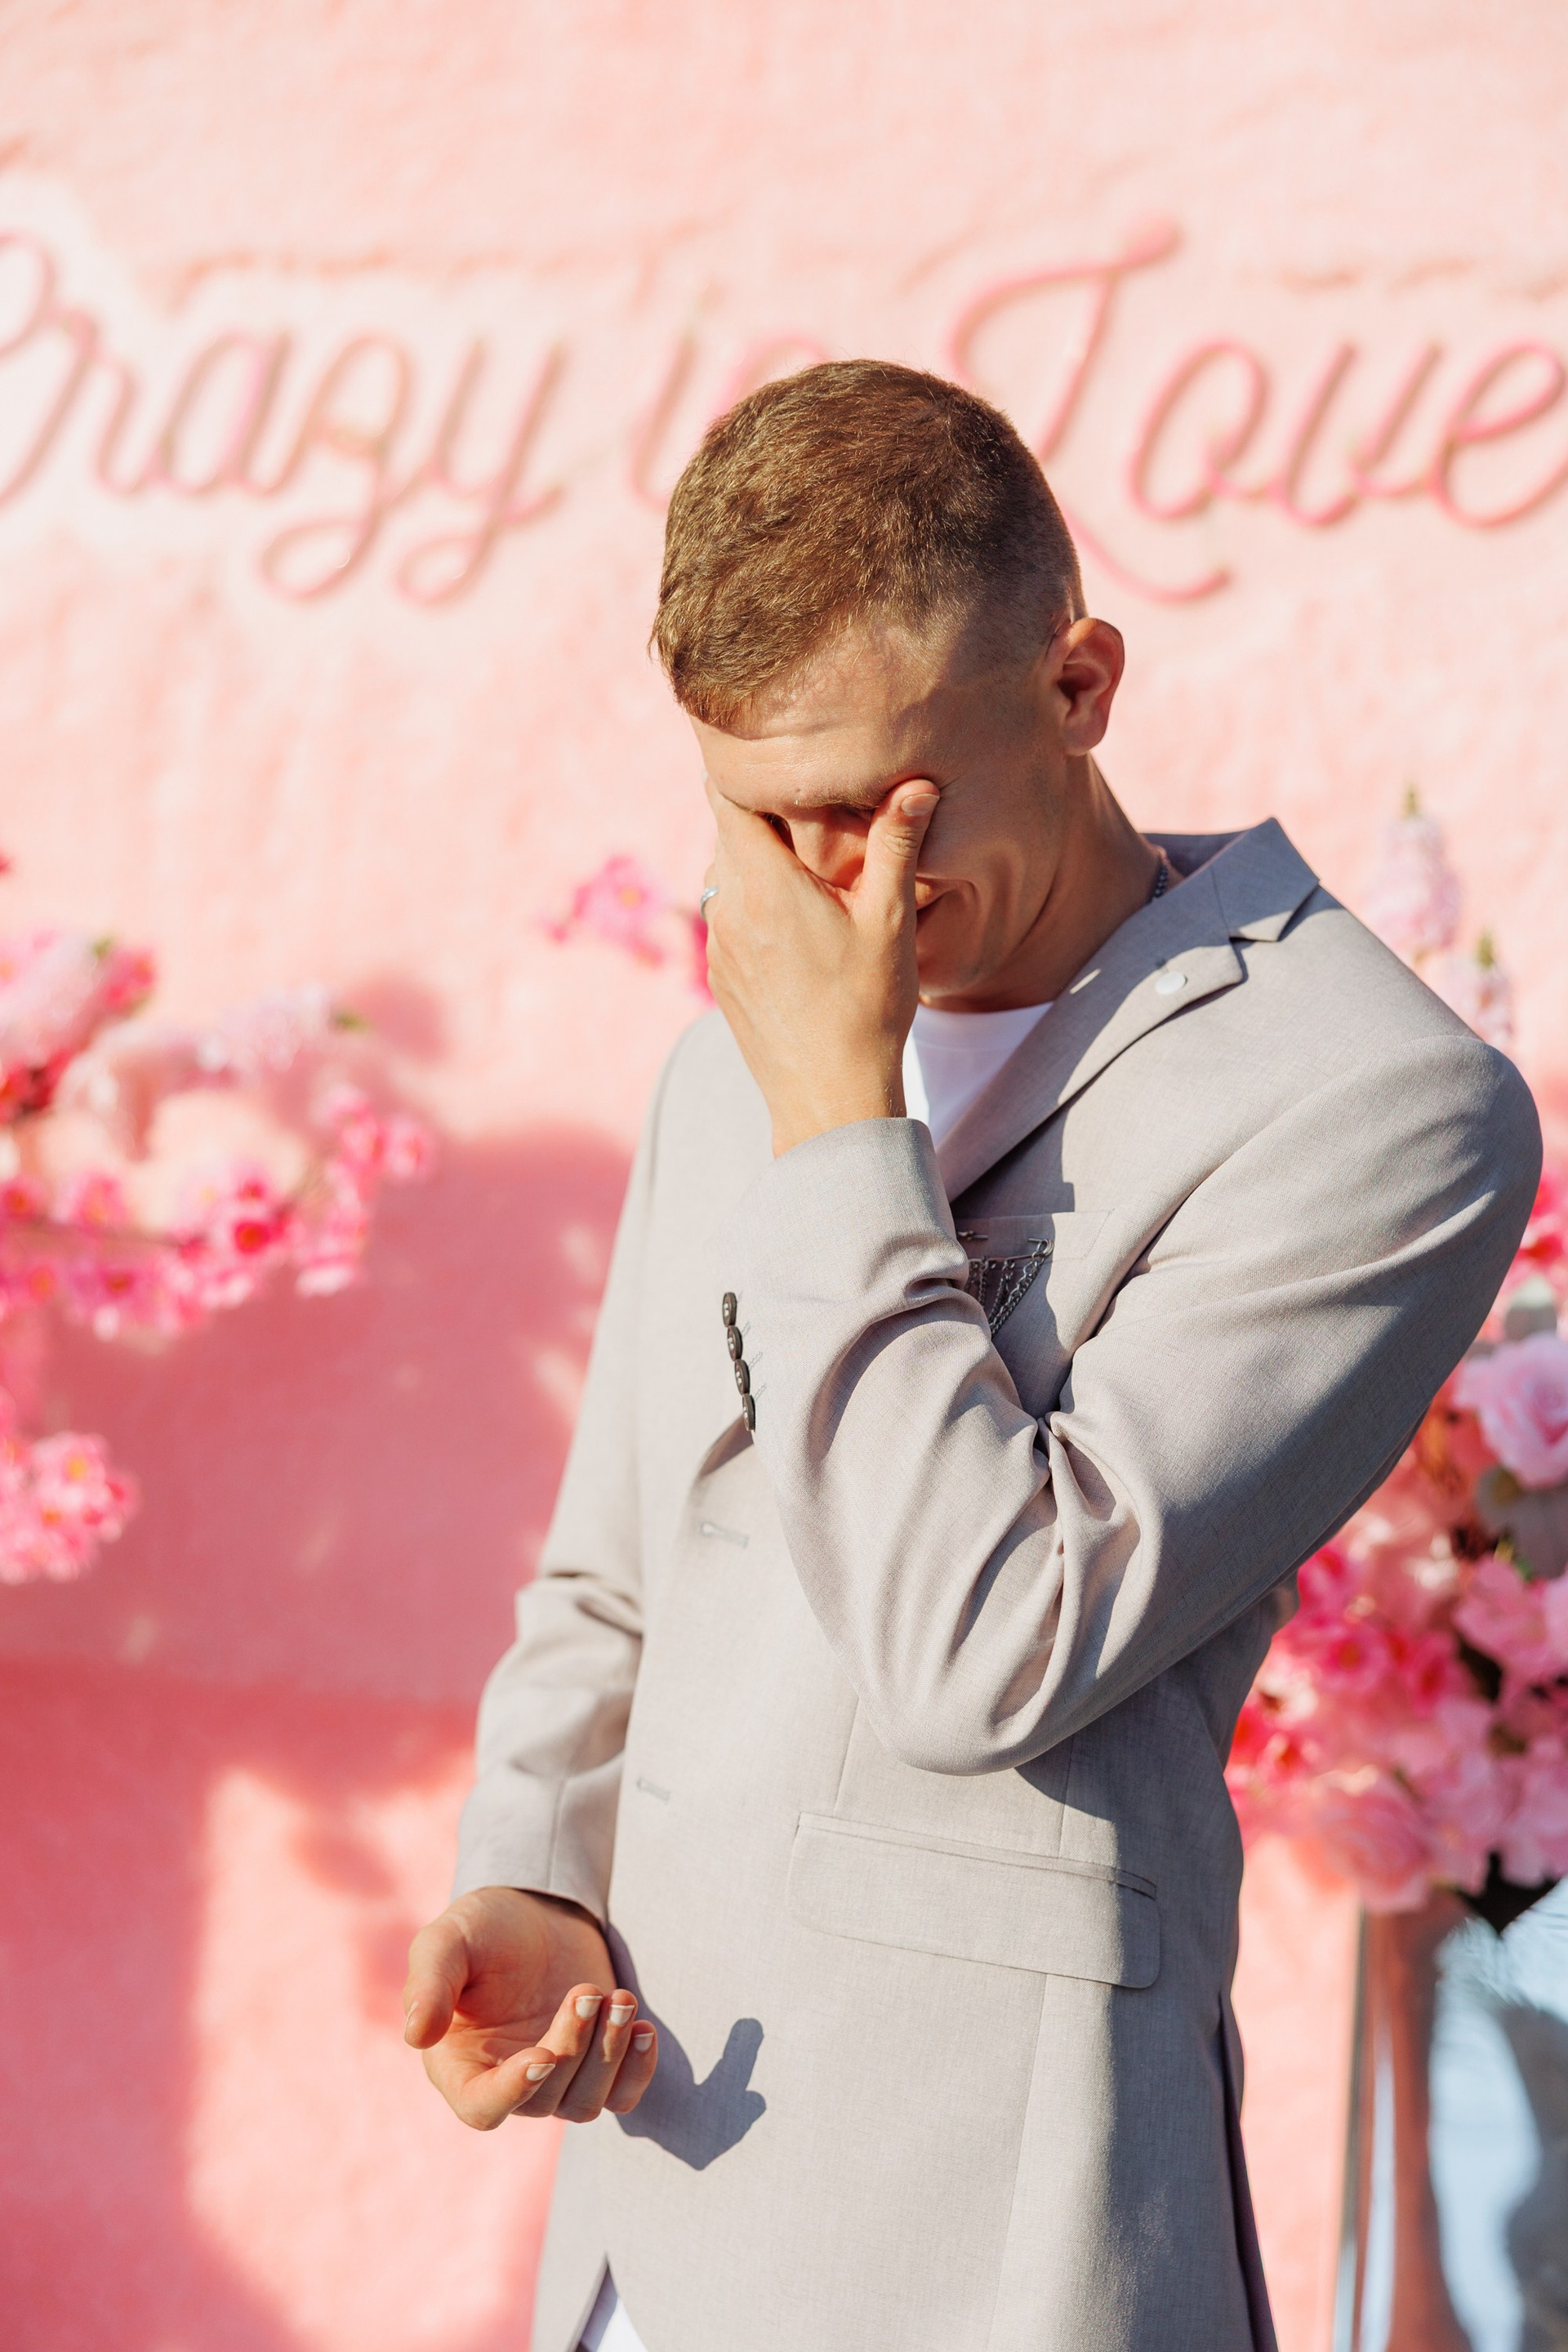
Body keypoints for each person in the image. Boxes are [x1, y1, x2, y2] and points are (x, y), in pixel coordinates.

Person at [404, 362, 1540, 2352]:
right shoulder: (728, 1056)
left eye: (882, 803)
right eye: (766, 816)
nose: (832, 886)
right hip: (644, 2218)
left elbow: (986, 1649)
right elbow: (617, 1577)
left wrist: (844, 1132)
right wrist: (538, 1877)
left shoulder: (1379, 1104)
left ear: (1081, 685)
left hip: (990, 2245)